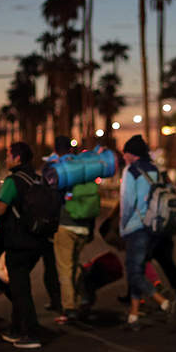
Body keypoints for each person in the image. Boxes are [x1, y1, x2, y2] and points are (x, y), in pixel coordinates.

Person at [0, 141, 46, 349]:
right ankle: (16, 328)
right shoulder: (37, 178)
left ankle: (31, 333)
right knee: (18, 285)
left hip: (18, 241)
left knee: (20, 288)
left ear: (17, 158)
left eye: (8, 155)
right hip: (36, 239)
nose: (6, 159)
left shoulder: (13, 181)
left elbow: (0, 210)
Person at [119, 134, 173, 328]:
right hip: (154, 227)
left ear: (131, 154)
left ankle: (164, 303)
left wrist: (122, 226)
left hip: (136, 226)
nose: (123, 156)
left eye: (125, 152)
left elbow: (127, 202)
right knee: (138, 269)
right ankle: (133, 314)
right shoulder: (155, 170)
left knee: (134, 272)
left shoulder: (131, 171)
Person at [50, 136, 97, 324]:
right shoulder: (85, 168)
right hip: (84, 225)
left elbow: (54, 197)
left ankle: (69, 308)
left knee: (65, 268)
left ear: (56, 149)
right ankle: (82, 297)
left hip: (66, 224)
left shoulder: (61, 168)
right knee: (74, 263)